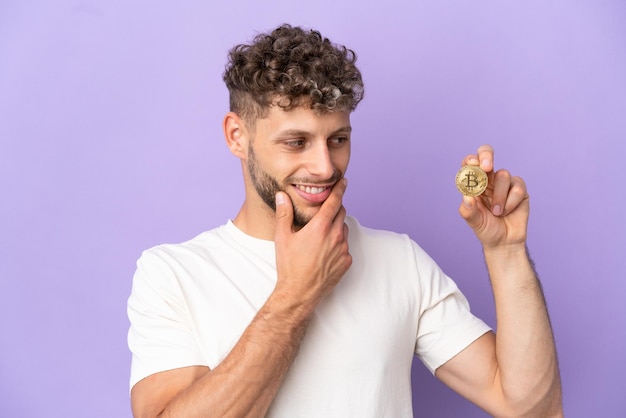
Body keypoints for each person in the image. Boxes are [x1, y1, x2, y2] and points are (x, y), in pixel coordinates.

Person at [127, 24, 563, 417]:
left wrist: (505, 252)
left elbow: (531, 408)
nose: (323, 166)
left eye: (338, 139)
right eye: (296, 142)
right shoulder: (173, 274)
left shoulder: (399, 260)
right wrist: (295, 296)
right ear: (237, 136)